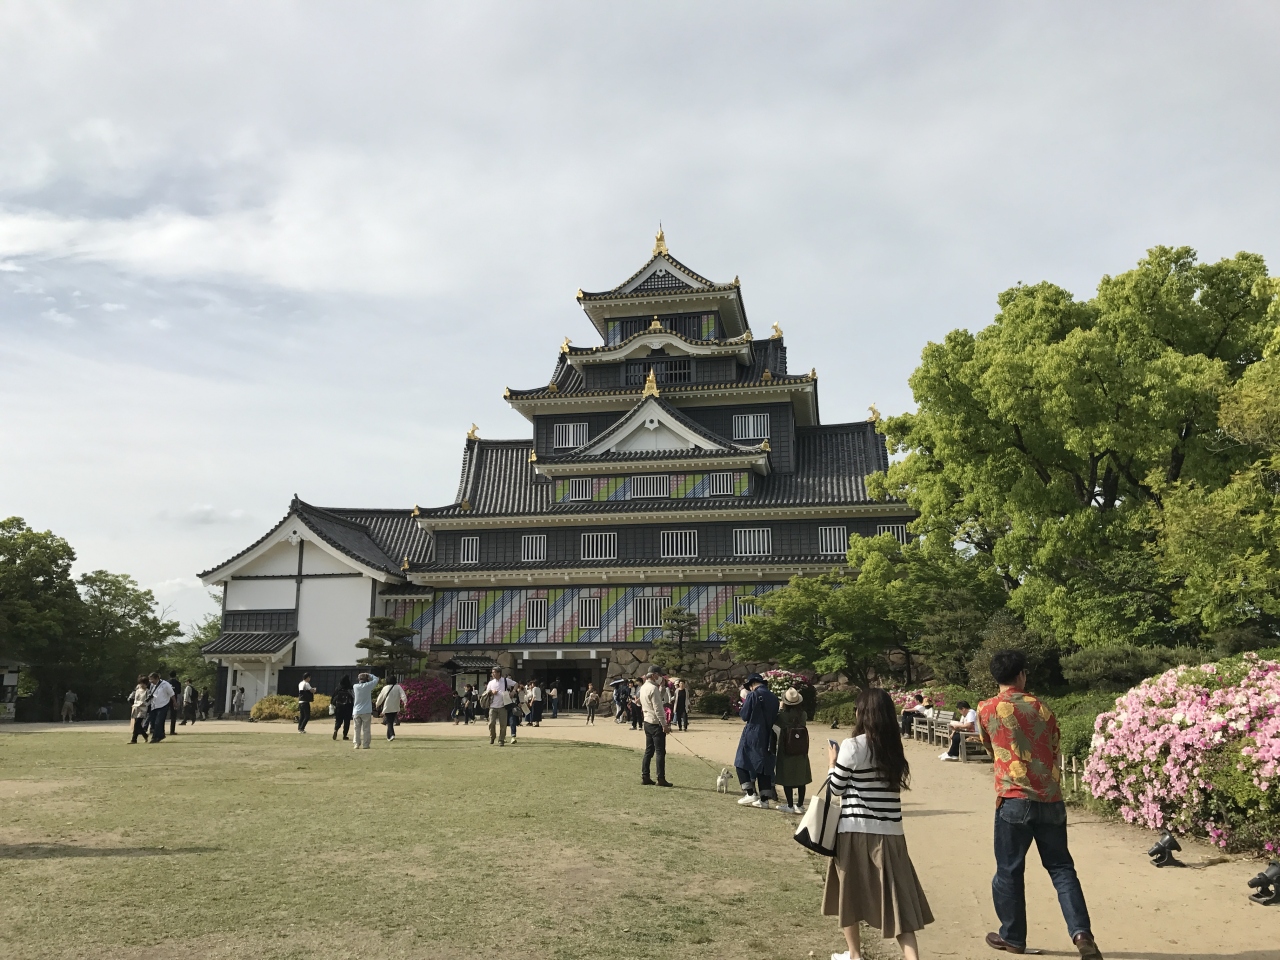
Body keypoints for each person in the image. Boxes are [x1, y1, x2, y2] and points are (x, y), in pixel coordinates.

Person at [978, 651, 1102, 960]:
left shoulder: (987, 709)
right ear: (1021, 674)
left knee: (1009, 870)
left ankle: (1012, 937)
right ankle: (1081, 933)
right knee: (1061, 868)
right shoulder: (1043, 708)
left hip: (1013, 799)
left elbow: (989, 746)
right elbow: (1055, 746)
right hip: (1050, 799)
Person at [824, 687, 933, 960]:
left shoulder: (853, 746)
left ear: (863, 713)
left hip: (854, 830)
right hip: (891, 834)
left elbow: (835, 789)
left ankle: (854, 954)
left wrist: (832, 763)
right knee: (898, 903)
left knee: (848, 894)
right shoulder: (893, 748)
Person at [735, 674, 780, 808]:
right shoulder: (773, 697)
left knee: (741, 761)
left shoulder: (753, 695)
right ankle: (764, 800)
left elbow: (744, 715)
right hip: (769, 733)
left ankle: (750, 793)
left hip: (753, 732)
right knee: (764, 766)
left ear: (752, 684)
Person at [774, 687, 812, 813]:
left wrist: (780, 708)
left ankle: (790, 805)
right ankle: (800, 805)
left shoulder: (782, 715)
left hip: (786, 746)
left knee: (787, 776)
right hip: (801, 747)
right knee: (801, 776)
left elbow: (776, 721)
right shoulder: (803, 714)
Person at [638, 665, 673, 786]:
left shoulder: (644, 687)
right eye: (659, 675)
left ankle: (645, 775)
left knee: (649, 750)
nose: (661, 677)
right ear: (654, 675)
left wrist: (662, 688)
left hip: (647, 721)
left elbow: (656, 699)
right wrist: (664, 724)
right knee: (660, 751)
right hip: (655, 723)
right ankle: (660, 778)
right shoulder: (653, 689)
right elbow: (658, 708)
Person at [483, 666, 517, 746]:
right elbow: (487, 692)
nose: (492, 674)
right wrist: (491, 692)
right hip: (492, 706)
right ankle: (492, 736)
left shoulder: (505, 680)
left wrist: (513, 691)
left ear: (499, 673)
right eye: (492, 672)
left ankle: (501, 739)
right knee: (491, 723)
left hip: (503, 706)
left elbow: (516, 684)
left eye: (494, 672)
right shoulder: (491, 682)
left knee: (503, 724)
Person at [351, 672, 380, 750]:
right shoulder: (368, 686)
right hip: (366, 710)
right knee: (366, 729)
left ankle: (356, 744)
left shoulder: (355, 686)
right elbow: (376, 679)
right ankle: (366, 744)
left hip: (356, 711)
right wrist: (370, 675)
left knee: (356, 729)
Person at [376, 674, 406, 741]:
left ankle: (392, 735)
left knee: (389, 722)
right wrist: (405, 702)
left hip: (387, 706)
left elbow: (381, 697)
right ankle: (389, 736)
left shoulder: (385, 688)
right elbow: (403, 695)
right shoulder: (398, 687)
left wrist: (377, 704)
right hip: (395, 706)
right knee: (390, 721)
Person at [147, 671, 173, 743]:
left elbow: (172, 694)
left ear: (157, 678)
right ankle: (161, 735)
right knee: (153, 722)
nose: (151, 681)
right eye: (150, 679)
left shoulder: (165, 684)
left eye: (152, 679)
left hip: (163, 705)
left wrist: (175, 703)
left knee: (158, 722)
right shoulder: (152, 685)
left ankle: (155, 737)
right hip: (154, 705)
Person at [127, 676, 151, 743]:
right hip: (136, 708)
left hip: (143, 709)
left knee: (137, 723)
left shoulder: (148, 691)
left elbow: (149, 701)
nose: (142, 685)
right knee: (137, 724)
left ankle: (135, 739)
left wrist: (145, 704)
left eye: (143, 683)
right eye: (141, 683)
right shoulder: (137, 691)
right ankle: (137, 738)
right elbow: (134, 699)